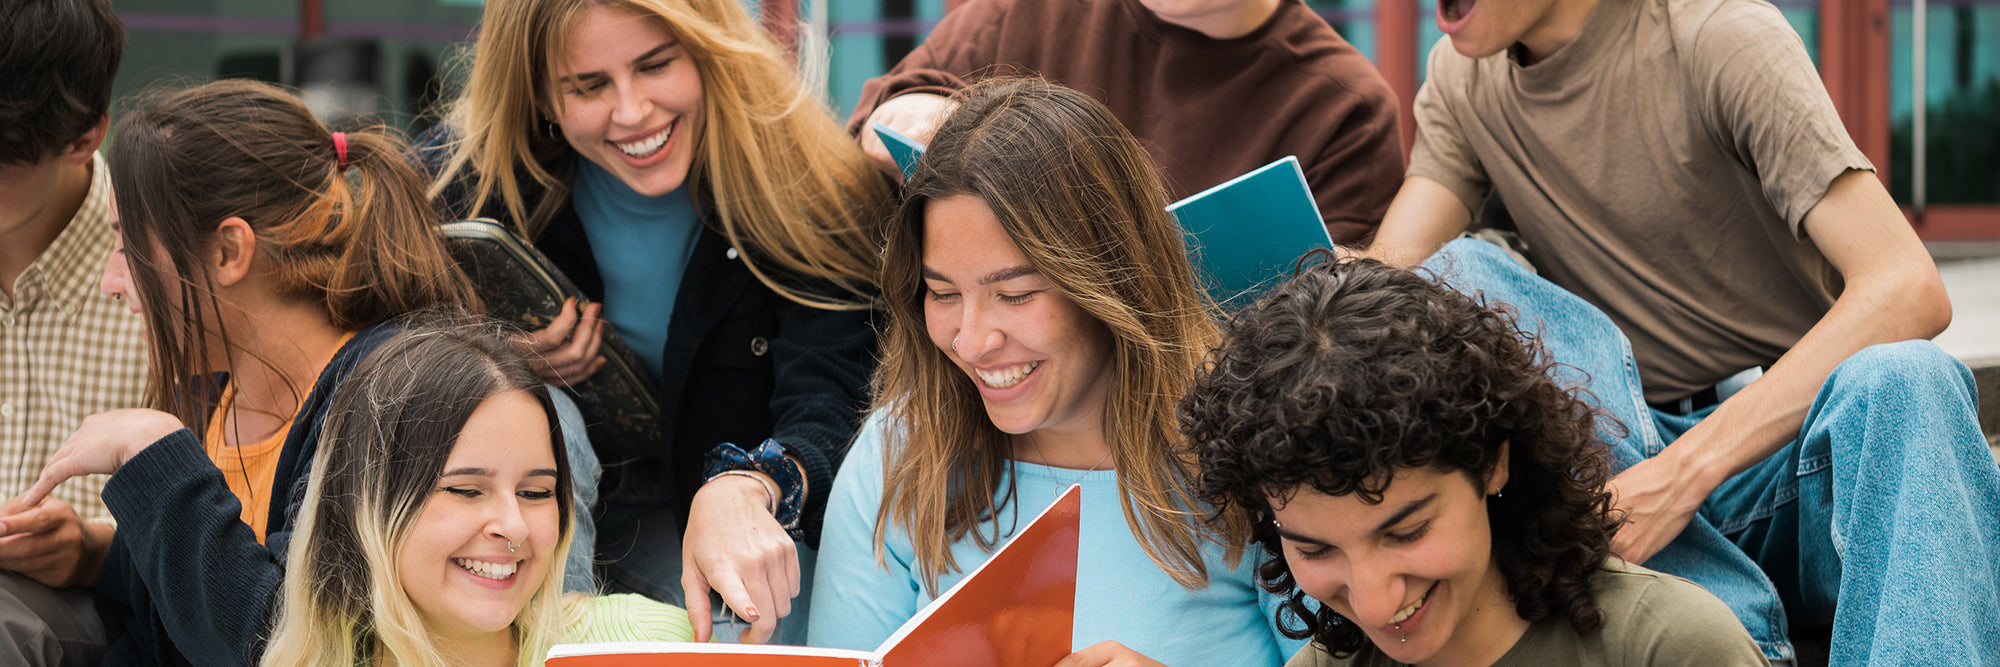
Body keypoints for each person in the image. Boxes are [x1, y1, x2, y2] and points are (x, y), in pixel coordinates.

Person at [1357, 0, 2000, 660]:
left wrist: (1682, 472)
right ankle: (1732, 638)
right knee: (1463, 271)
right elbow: (1385, 281)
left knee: (1912, 377)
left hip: (1788, 459)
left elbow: (1906, 287)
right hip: (1616, 470)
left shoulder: (1718, 34)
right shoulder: (1462, 82)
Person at [418, 0, 890, 643]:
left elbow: (834, 394)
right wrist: (495, 362)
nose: (633, 111)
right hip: (549, 508)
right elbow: (377, 339)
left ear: (709, 50)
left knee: (738, 637)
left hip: (730, 498)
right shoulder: (464, 178)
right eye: (588, 86)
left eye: (656, 65)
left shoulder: (807, 180)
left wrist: (753, 483)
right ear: (538, 95)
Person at [808, 78, 1302, 666]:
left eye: (1014, 294)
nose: (971, 341)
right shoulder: (901, 448)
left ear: (1113, 278)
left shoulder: (1257, 448)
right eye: (941, 293)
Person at [19, 79, 482, 666]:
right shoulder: (215, 389)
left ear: (228, 251)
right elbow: (176, 621)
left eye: (128, 247)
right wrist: (92, 556)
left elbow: (283, 640)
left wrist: (153, 451)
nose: (112, 282)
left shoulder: (382, 403)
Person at [1184, 256, 1768, 666]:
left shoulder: (1673, 649)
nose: (1374, 601)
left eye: (1406, 532)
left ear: (1494, 463)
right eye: (1315, 548)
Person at [260, 322, 692, 667]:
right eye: (466, 490)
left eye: (537, 492)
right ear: (365, 501)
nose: (514, 525)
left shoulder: (652, 642)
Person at [849, 0, 1404, 243]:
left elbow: (1333, 327)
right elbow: (881, 123)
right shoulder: (1033, 10)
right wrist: (931, 121)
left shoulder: (1345, 106)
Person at [0, 0, 144, 662]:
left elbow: (242, 534)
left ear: (85, 138)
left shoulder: (162, 276)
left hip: (97, 616)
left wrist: (92, 547)